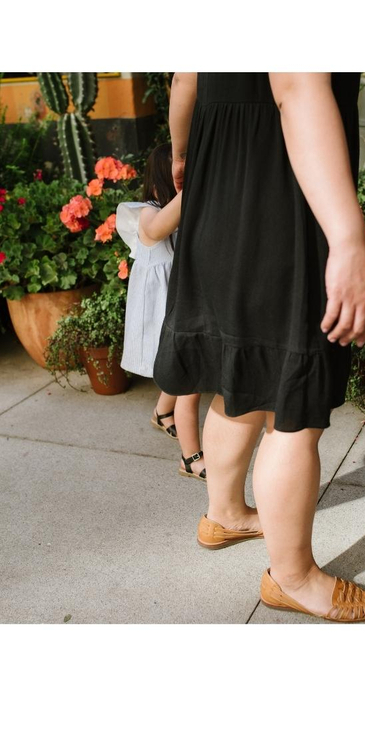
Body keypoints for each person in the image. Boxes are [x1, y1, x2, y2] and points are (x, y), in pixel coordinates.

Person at [154, 73, 365, 622]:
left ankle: (224, 512)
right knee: (291, 396)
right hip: (280, 192)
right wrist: (347, 239)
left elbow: (185, 76)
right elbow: (298, 87)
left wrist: (183, 153)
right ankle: (294, 577)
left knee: (238, 367)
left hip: (218, 188)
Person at [116, 144, 205, 481]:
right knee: (188, 380)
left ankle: (163, 411)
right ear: (160, 183)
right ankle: (191, 458)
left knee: (178, 369)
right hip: (160, 309)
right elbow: (157, 230)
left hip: (182, 306)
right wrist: (198, 180)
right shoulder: (147, 214)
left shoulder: (188, 213)